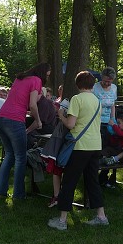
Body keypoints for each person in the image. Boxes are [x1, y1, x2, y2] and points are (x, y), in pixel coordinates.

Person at [48, 71, 108, 230]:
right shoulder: (97, 100)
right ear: (92, 84)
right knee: (92, 181)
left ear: (77, 84)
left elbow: (70, 124)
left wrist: (61, 114)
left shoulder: (76, 99)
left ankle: (62, 220)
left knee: (69, 182)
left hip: (79, 146)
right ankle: (101, 216)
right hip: (95, 145)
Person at [0, 62, 50, 200]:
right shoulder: (37, 80)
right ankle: (18, 194)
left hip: (1, 118)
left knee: (9, 155)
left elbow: (23, 100)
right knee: (21, 157)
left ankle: (0, 192)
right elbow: (32, 105)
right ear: (43, 72)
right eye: (48, 74)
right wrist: (38, 120)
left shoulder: (20, 79)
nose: (47, 77)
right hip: (14, 120)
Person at [93, 66, 118, 150]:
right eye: (105, 81)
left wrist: (113, 118)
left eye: (109, 82)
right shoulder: (95, 88)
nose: (107, 84)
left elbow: (113, 104)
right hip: (97, 120)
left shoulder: (114, 88)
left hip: (109, 121)